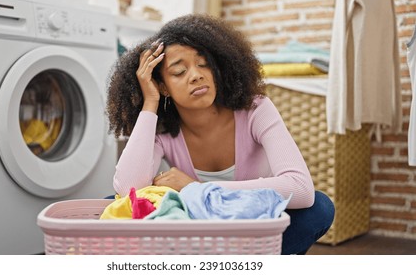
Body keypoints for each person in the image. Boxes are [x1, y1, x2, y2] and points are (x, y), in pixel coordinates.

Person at [106, 14, 335, 255]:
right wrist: (150, 102)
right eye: (179, 71)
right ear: (163, 87)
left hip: (256, 227)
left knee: (318, 208)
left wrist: (196, 188)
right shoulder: (162, 128)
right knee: (111, 202)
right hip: (203, 232)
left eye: (204, 64)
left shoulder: (255, 109)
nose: (196, 75)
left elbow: (300, 188)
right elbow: (127, 189)